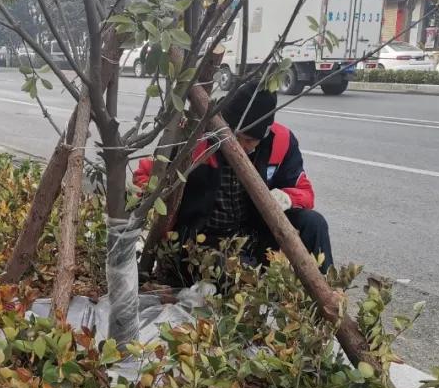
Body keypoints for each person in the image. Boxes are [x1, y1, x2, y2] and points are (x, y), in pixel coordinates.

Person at [135, 82, 333, 281]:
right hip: (198, 241)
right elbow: (145, 177)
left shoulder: (281, 142)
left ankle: (324, 297)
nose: (239, 146)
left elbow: (305, 192)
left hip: (252, 234)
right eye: (235, 137)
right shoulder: (193, 138)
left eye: (249, 141)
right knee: (227, 272)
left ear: (263, 135)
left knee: (313, 223)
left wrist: (287, 198)